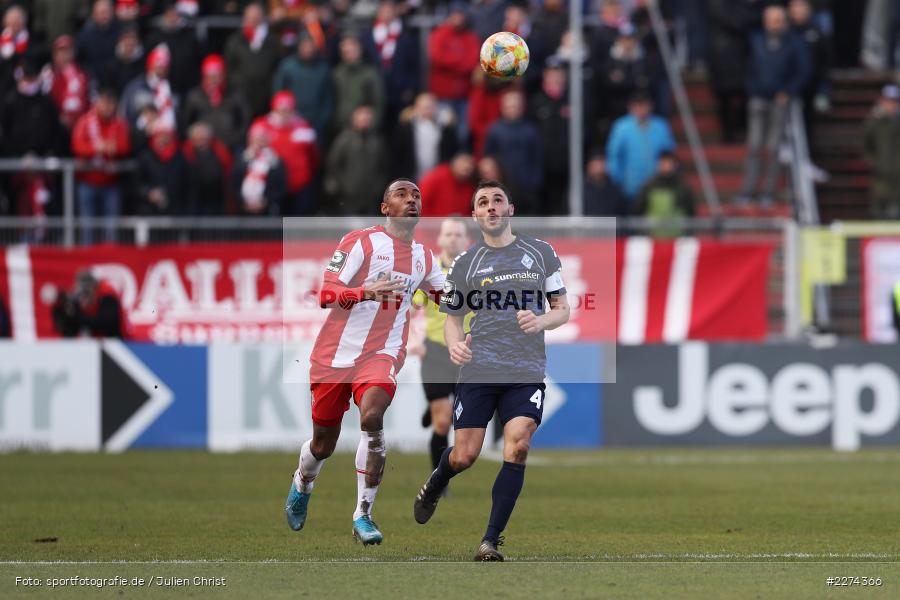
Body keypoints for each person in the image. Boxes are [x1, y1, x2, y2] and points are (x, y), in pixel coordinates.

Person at [413, 180, 570, 561]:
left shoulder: (541, 253)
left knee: (518, 445)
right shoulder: (466, 263)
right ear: (475, 215)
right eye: (483, 202)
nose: (491, 206)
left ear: (510, 209)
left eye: (498, 200)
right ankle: (436, 481)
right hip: (480, 368)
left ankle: (490, 540)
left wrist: (541, 321)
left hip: (526, 368)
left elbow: (562, 309)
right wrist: (454, 345)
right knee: (464, 456)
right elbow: (451, 318)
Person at [284, 178, 446, 546]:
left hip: (383, 353)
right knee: (322, 444)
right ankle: (302, 482)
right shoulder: (360, 242)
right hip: (334, 356)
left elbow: (450, 298)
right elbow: (326, 293)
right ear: (385, 208)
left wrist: (489, 300)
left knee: (372, 416)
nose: (412, 200)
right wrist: (364, 292)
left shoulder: (424, 257)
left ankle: (363, 514)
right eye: (401, 195)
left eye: (416, 195)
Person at [411, 217, 472, 478]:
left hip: (467, 352)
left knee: (463, 421)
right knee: (443, 421)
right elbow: (410, 309)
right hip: (436, 350)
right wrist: (413, 341)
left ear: (467, 240)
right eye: (449, 234)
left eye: (458, 234)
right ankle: (439, 481)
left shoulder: (476, 271)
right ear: (440, 240)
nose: (453, 239)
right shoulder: (430, 270)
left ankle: (435, 403)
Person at [735, 4, 810, 207]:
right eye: (770, 20)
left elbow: (803, 70)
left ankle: (769, 191)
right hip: (758, 99)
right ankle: (748, 190)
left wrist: (788, 91)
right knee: (754, 146)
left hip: (780, 100)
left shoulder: (794, 42)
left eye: (777, 20)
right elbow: (746, 67)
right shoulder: (756, 41)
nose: (774, 24)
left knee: (774, 147)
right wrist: (751, 89)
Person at [71, 89, 131, 244]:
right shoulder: (85, 122)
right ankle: (87, 262)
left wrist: (114, 148)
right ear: (97, 103)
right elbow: (77, 147)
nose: (107, 107)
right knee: (88, 227)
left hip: (111, 183)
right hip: (88, 182)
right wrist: (98, 148)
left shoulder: (119, 123)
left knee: (110, 229)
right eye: (104, 103)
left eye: (111, 104)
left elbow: (125, 146)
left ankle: (109, 263)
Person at [252, 91, 319, 215]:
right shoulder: (262, 126)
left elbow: (314, 157)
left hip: (299, 185)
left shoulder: (304, 128)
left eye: (287, 110)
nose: (284, 115)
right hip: (272, 188)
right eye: (281, 110)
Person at [605, 92, 675, 203]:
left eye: (644, 105)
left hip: (656, 186)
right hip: (629, 187)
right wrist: (617, 181)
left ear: (650, 106)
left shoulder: (661, 126)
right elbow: (613, 155)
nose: (641, 109)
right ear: (631, 107)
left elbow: (668, 153)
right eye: (637, 105)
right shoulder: (621, 127)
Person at [427, 3, 480, 145]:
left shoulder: (470, 37)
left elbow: (473, 61)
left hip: (465, 94)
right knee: (444, 134)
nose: (458, 18)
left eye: (461, 15)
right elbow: (437, 58)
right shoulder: (439, 34)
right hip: (443, 95)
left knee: (463, 134)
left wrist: (452, 62)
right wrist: (461, 61)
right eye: (455, 15)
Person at [483, 90, 543, 215]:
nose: (512, 109)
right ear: (503, 108)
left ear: (522, 108)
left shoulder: (531, 130)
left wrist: (534, 182)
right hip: (502, 188)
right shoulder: (495, 130)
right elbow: (489, 158)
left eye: (516, 106)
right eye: (509, 106)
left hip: (526, 187)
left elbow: (538, 157)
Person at [325, 104, 389, 215]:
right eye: (362, 118)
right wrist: (344, 185)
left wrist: (378, 187)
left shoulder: (377, 140)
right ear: (354, 119)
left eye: (367, 118)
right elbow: (333, 164)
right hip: (349, 195)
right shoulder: (344, 139)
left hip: (371, 195)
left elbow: (384, 166)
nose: (365, 121)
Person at [366, 0, 419, 131]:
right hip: (375, 88)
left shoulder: (406, 35)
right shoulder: (368, 34)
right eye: (384, 10)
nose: (387, 14)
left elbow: (414, 64)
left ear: (396, 12)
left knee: (399, 127)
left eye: (390, 10)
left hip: (399, 90)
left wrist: (410, 88)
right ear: (378, 13)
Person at [182, 54, 252, 150]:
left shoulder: (235, 95)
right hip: (202, 148)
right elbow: (186, 123)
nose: (214, 80)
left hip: (231, 147)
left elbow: (245, 122)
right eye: (210, 76)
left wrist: (234, 140)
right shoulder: (195, 97)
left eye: (218, 76)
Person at [224, 2, 282, 118]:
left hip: (266, 97)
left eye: (257, 17)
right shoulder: (235, 41)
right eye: (250, 17)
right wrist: (237, 88)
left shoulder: (273, 41)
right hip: (242, 97)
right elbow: (229, 68)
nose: (253, 21)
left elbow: (278, 67)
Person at [272, 31, 333, 140]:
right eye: (305, 45)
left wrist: (323, 119)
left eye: (311, 45)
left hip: (316, 122)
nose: (308, 49)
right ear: (299, 46)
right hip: (290, 121)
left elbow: (328, 97)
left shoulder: (323, 68)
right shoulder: (287, 66)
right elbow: (279, 93)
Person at [392, 92, 458, 181]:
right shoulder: (406, 128)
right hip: (411, 177)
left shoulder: (445, 129)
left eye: (430, 107)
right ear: (416, 108)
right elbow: (398, 155)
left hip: (437, 178)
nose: (427, 110)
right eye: (424, 107)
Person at [145, 0, 203, 97]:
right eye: (169, 14)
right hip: (162, 89)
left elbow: (199, 58)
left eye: (175, 14)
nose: (172, 17)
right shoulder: (155, 37)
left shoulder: (190, 35)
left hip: (188, 87)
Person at [332, 33, 385, 133]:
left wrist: (372, 123)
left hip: (365, 128)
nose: (349, 53)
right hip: (341, 128)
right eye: (346, 51)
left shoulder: (370, 74)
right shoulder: (337, 74)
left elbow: (378, 101)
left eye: (352, 50)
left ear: (359, 50)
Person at [232, 121, 287, 215]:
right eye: (255, 139)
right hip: (243, 209)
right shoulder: (242, 159)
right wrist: (242, 201)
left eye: (262, 139)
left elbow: (280, 186)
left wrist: (265, 201)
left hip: (267, 209)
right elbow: (234, 182)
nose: (259, 143)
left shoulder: (275, 161)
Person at [121, 44, 178, 132]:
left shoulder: (172, 88)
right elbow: (126, 114)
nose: (160, 72)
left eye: (164, 68)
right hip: (140, 135)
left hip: (167, 135)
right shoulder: (136, 87)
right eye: (157, 67)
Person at [51, 270, 126, 338]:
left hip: (117, 340)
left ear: (92, 287)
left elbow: (106, 323)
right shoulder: (83, 300)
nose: (83, 297)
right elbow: (67, 328)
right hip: (94, 341)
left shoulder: (107, 296)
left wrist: (78, 316)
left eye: (85, 292)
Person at [863, 85, 900, 219]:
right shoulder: (874, 122)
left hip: (898, 176)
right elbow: (866, 145)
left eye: (894, 101)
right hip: (880, 175)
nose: (891, 104)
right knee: (878, 211)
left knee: (895, 212)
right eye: (888, 101)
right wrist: (874, 162)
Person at [183, 121, 233, 215]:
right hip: (193, 201)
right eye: (198, 139)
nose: (201, 141)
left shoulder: (220, 151)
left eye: (203, 138)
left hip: (217, 200)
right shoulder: (185, 153)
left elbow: (228, 171)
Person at [42, 35, 90, 133]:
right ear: (54, 54)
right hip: (54, 124)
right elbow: (43, 98)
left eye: (67, 51)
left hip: (80, 124)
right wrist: (58, 115)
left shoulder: (83, 72)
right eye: (61, 51)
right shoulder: (48, 72)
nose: (64, 54)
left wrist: (84, 119)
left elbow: (90, 97)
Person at [418, 152, 476, 217]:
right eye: (464, 161)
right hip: (431, 224)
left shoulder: (470, 186)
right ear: (454, 162)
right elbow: (420, 201)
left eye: (470, 164)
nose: (467, 166)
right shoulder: (436, 177)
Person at [76, 0, 120, 84]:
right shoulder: (85, 35)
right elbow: (79, 59)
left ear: (112, 12)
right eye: (101, 13)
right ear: (94, 14)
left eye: (106, 12)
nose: (104, 16)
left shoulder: (120, 32)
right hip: (93, 80)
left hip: (116, 80)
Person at [101, 26, 145, 95]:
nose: (130, 42)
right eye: (126, 39)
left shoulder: (143, 65)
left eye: (133, 39)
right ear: (120, 41)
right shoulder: (111, 66)